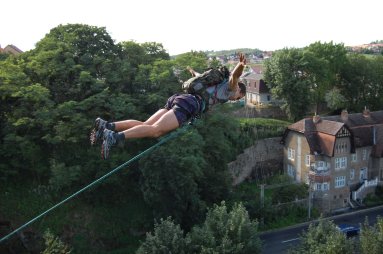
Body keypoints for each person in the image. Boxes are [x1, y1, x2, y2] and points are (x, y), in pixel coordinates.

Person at [91, 53, 247, 159]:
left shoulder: (215, 82)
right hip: (189, 105)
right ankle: (114, 137)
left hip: (179, 99)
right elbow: (235, 76)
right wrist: (240, 65)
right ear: (239, 91)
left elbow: (199, 78)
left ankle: (107, 126)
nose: (234, 99)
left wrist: (192, 72)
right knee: (155, 131)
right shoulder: (229, 89)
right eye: (238, 97)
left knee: (147, 126)